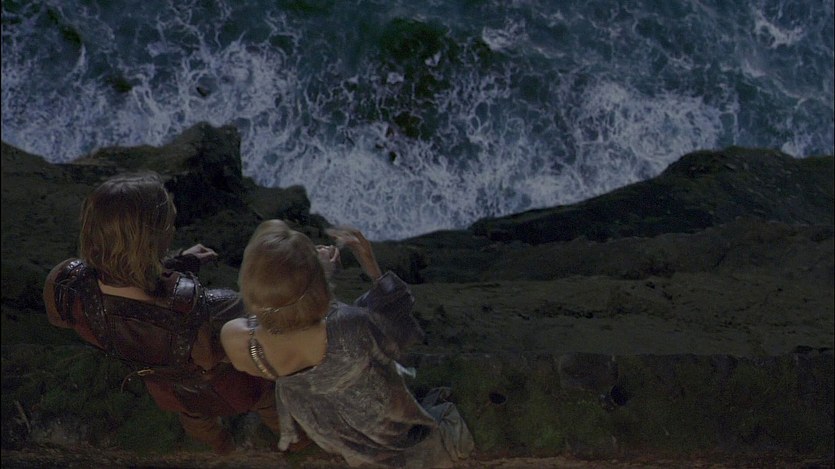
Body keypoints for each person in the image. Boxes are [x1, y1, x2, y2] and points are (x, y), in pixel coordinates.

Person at [42, 171, 287, 455]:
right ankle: (295, 442)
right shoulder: (196, 306)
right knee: (270, 399)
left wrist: (178, 263)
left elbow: (123, 291)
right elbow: (210, 358)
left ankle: (220, 446)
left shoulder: (66, 287)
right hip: (227, 388)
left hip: (166, 389)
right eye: (168, 224)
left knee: (194, 418)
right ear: (154, 241)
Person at [220, 219, 475, 468]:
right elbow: (399, 324)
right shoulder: (350, 326)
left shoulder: (237, 339)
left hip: (333, 429)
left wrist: (309, 283)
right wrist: (366, 265)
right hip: (380, 421)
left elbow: (274, 318)